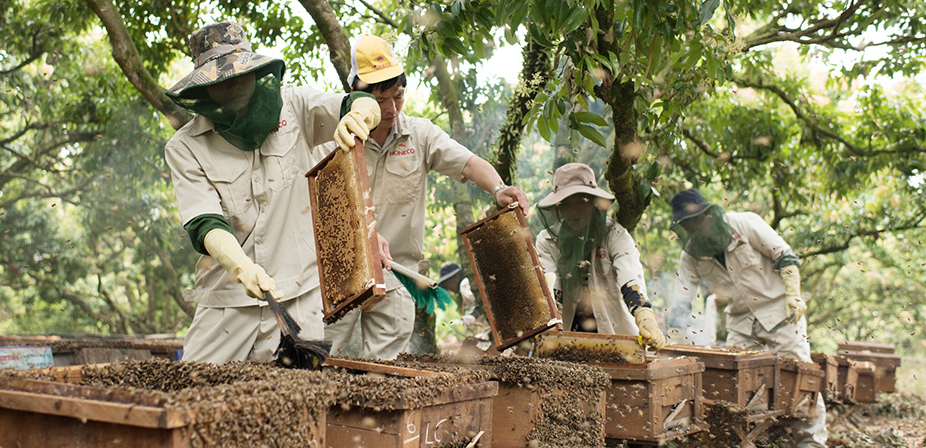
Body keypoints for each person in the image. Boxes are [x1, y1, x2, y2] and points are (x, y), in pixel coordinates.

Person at [163, 22, 380, 363]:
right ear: (204, 86)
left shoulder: (295, 106)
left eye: (239, 72)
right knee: (194, 395)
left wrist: (362, 115)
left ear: (254, 69)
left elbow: (359, 101)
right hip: (227, 302)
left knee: (297, 404)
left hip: (300, 296)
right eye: (221, 77)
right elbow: (204, 222)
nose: (233, 81)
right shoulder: (184, 147)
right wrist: (242, 268)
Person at [322, 35, 529, 360]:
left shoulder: (419, 135)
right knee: (318, 361)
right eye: (380, 100)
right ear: (356, 97)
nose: (391, 109)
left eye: (398, 97)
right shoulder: (332, 138)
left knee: (384, 375)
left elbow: (469, 162)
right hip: (341, 272)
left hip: (397, 275)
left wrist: (499, 189)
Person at [667, 188, 827, 447]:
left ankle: (810, 441)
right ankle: (751, 439)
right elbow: (681, 299)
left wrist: (793, 294)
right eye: (688, 223)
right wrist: (671, 332)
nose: (695, 226)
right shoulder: (690, 255)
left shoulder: (745, 223)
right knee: (733, 385)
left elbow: (784, 255)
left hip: (780, 313)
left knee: (803, 376)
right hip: (741, 323)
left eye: (697, 219)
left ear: (709, 214)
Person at [533, 163, 666, 349]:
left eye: (581, 202)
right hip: (566, 337)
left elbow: (629, 276)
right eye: (566, 204)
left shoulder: (615, 235)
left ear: (594, 202)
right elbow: (551, 289)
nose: (574, 211)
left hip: (617, 335)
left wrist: (645, 316)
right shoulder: (547, 241)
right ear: (558, 208)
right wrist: (549, 328)